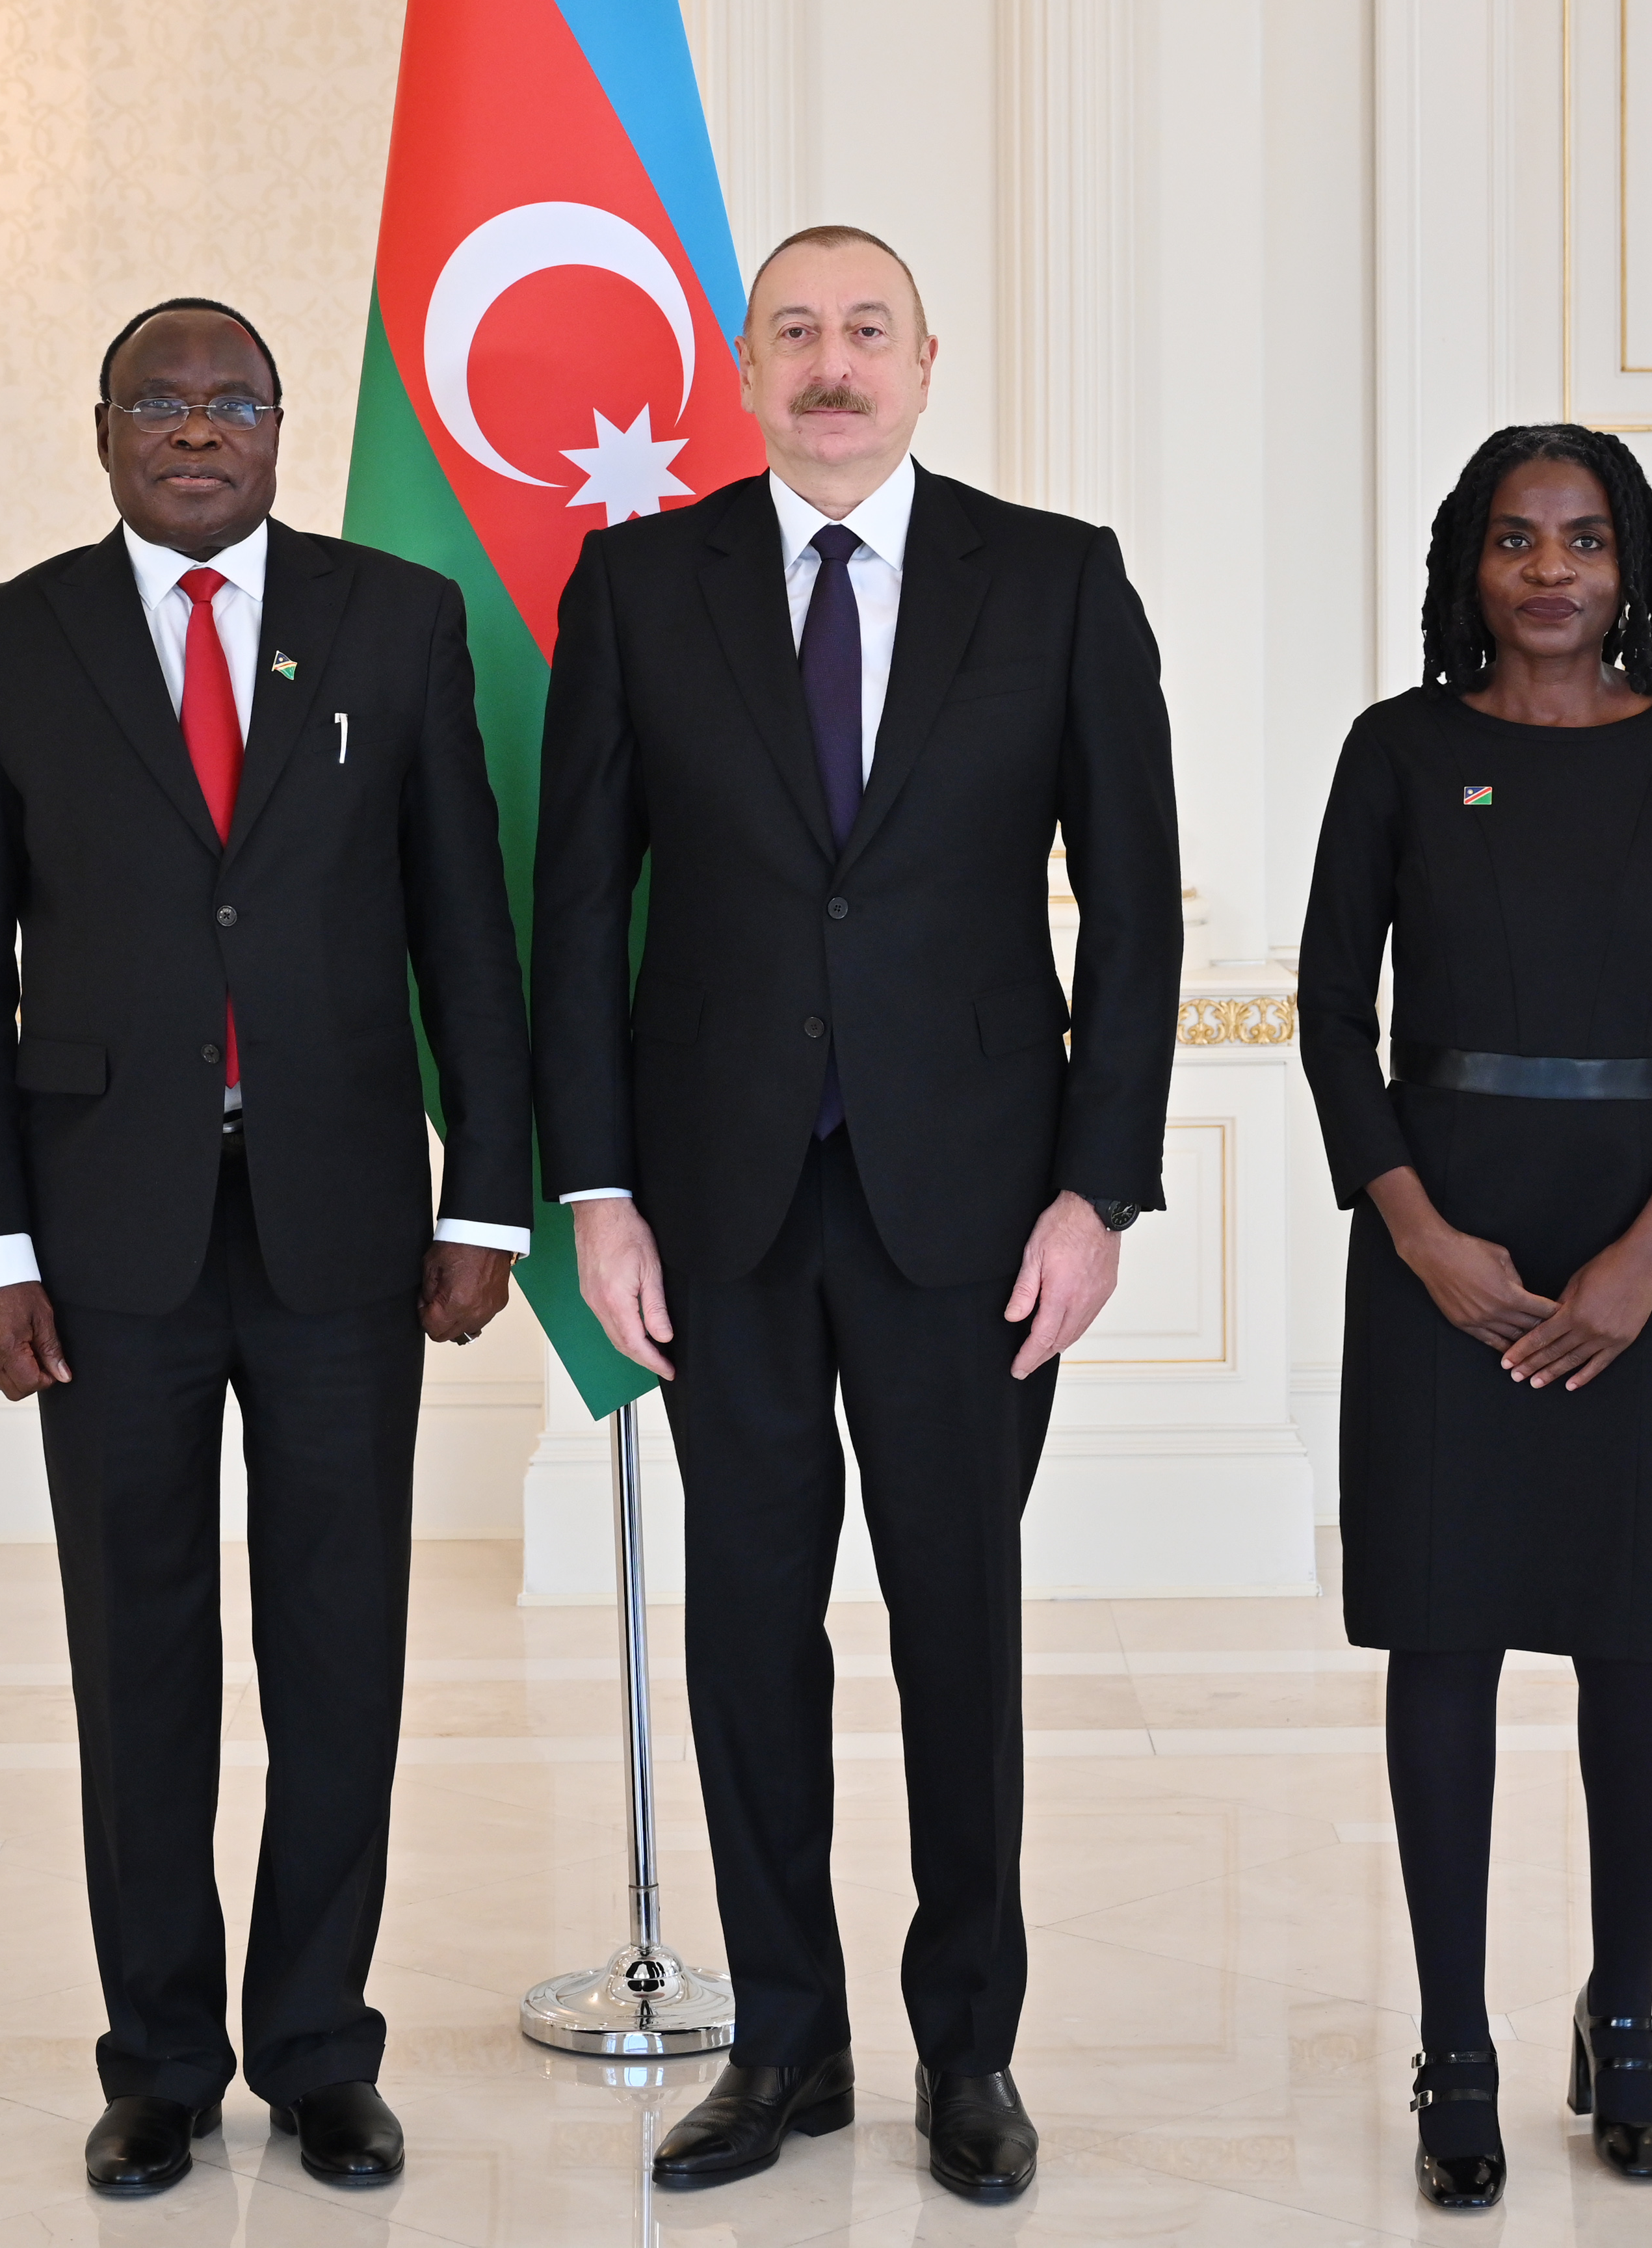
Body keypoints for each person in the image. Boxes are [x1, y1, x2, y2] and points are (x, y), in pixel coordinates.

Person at [531, 225, 1182, 2204]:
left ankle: (963, 2057)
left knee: (958, 1634)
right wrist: (599, 1190)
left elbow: (1137, 910)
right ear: (743, 372)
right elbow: (575, 909)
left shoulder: (1055, 579)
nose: (832, 365)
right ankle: (788, 2049)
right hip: (718, 1209)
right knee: (749, 1638)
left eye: (866, 332)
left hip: (976, 1215)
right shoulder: (643, 583)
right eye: (796, 332)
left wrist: (1100, 1187)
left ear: (927, 364)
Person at [0, 298, 532, 2198]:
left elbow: (465, 938)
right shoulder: (8, 647)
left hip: (349, 1220)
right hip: (102, 1243)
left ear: (279, 428)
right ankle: (163, 2061)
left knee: (343, 1647)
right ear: (103, 429)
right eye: (159, 402)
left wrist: (484, 1196)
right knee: (143, 1654)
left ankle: (322, 2052)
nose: (197, 428)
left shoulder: (391, 624)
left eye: (232, 400)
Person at [1298, 422, 1652, 2208]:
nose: (1553, 571)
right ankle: (1456, 2043)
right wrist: (1416, 1230)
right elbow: (1333, 1013)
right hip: (1446, 1247)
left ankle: (1629, 2019)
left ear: (1631, 563)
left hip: (1638, 1251)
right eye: (1517, 540)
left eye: (1585, 538)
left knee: (1631, 1640)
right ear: (1469, 566)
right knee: (1450, 1640)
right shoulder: (1399, 752)